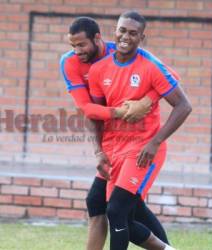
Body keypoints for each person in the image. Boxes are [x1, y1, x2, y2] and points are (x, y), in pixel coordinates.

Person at [60, 16, 170, 250]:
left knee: (123, 208)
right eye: (73, 46)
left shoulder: (122, 50)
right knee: (101, 204)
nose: (77, 51)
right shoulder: (70, 63)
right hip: (113, 143)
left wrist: (147, 101)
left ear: (98, 38)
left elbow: (169, 82)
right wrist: (116, 118)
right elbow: (87, 109)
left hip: (140, 144)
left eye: (81, 45)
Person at [88, 11, 192, 250]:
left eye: (133, 33)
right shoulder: (98, 70)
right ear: (114, 32)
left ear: (142, 38)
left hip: (143, 149)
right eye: (122, 30)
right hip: (113, 149)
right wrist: (98, 151)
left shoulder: (150, 67)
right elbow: (93, 115)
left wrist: (155, 142)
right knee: (124, 211)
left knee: (116, 210)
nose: (126, 37)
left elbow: (184, 106)